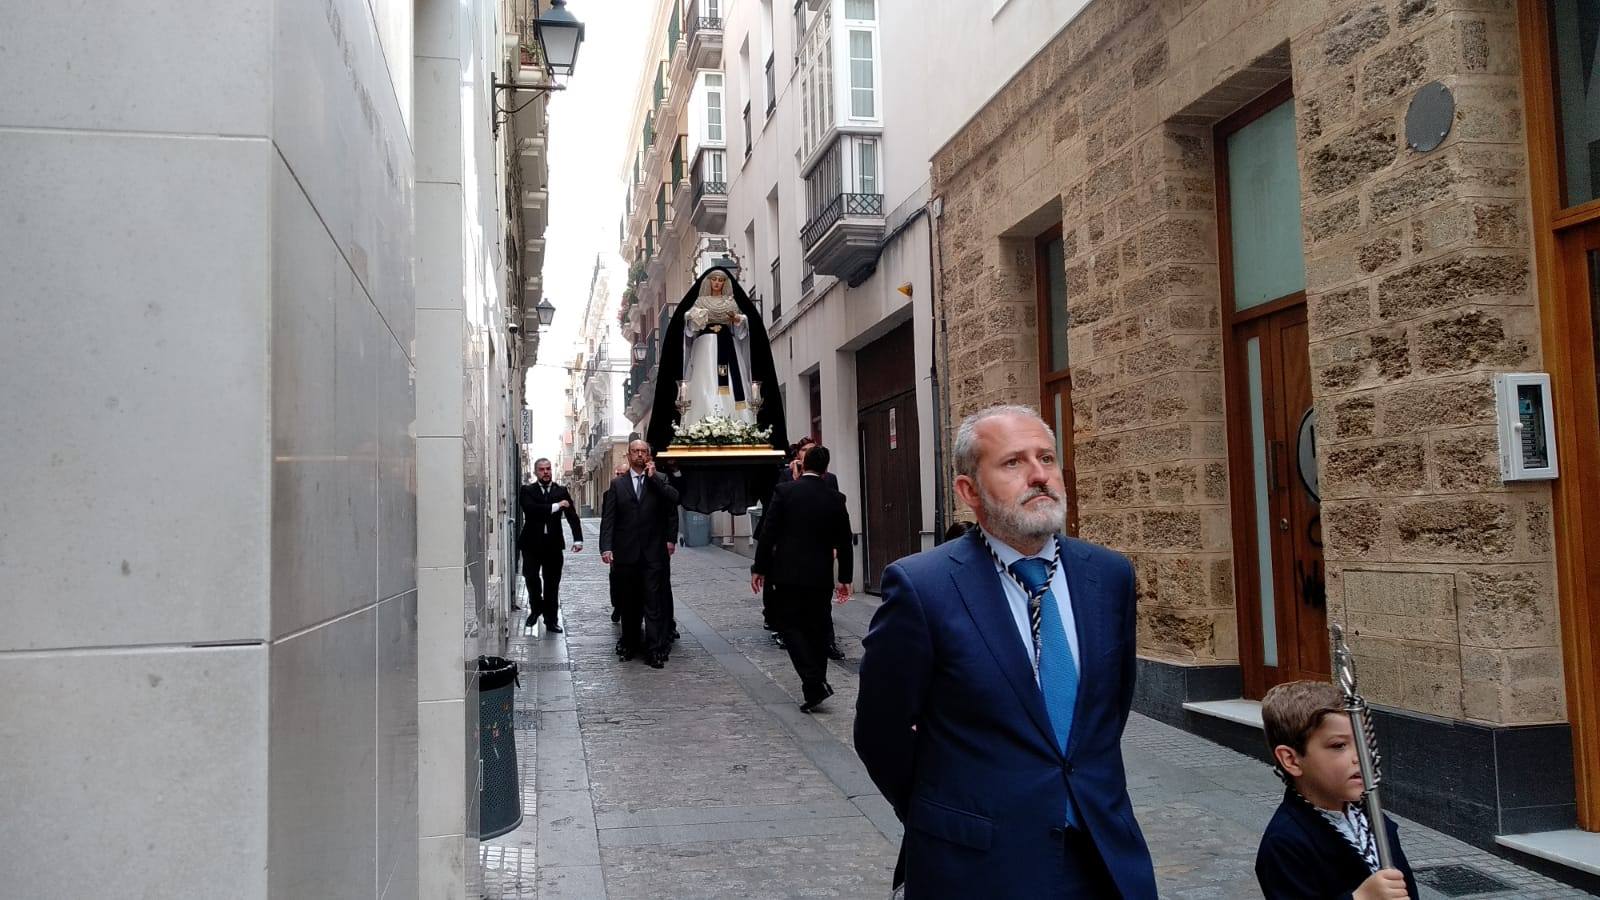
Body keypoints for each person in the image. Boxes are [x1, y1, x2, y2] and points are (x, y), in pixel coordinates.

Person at [854, 404, 1156, 898]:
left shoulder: (1109, 576)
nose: (1039, 476)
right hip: (978, 865)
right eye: (1013, 463)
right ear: (969, 491)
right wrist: (945, 813)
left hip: (1102, 856)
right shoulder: (923, 588)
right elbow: (879, 732)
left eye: (1047, 458)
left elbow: (1107, 711)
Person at [1256, 681, 1419, 900]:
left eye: (1364, 744)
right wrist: (1361, 898)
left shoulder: (1371, 818)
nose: (1360, 757)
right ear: (1291, 760)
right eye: (1339, 746)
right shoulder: (1285, 842)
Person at [751, 445, 853, 712]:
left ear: (802, 463)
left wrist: (759, 568)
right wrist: (845, 577)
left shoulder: (785, 492)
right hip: (820, 575)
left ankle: (813, 681)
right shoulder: (835, 498)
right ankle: (816, 683)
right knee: (818, 629)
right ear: (826, 469)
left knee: (790, 626)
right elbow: (844, 540)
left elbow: (768, 533)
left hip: (788, 574)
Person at [600, 440, 680, 668]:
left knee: (653, 603)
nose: (639, 455)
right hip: (626, 554)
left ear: (649, 455)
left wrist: (654, 478)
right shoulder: (618, 484)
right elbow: (609, 519)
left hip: (653, 554)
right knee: (629, 603)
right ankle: (630, 644)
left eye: (643, 451)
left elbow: (674, 500)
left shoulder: (660, 480)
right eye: (635, 451)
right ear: (628, 455)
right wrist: (606, 547)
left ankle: (654, 649)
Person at [517, 457, 582, 633]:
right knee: (531, 578)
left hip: (553, 545)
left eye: (548, 469)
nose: (546, 472)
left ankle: (551, 620)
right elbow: (531, 510)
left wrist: (578, 539)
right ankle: (536, 607)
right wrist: (556, 506)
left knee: (552, 583)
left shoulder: (560, 490)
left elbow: (572, 516)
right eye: (542, 469)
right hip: (531, 544)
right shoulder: (527, 490)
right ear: (535, 472)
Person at [681, 269, 753, 424]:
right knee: (705, 380)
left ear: (724, 283)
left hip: (728, 343)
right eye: (714, 279)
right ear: (709, 281)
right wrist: (694, 316)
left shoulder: (730, 302)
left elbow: (742, 325)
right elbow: (691, 324)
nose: (717, 283)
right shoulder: (700, 301)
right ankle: (703, 420)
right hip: (705, 346)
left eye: (721, 280)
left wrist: (738, 318)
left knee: (733, 382)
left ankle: (734, 421)